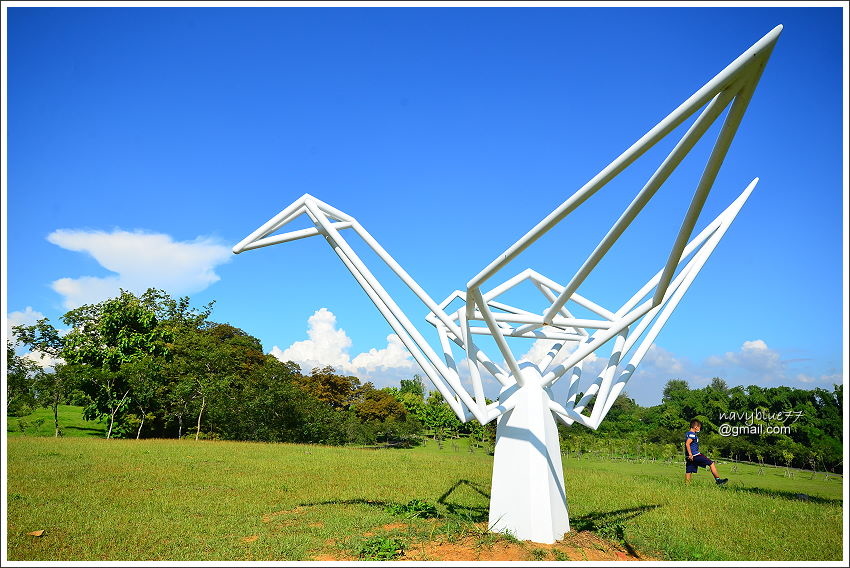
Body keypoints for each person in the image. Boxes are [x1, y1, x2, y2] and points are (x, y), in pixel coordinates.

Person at [685, 419, 728, 485]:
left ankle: (686, 485)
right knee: (711, 463)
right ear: (696, 427)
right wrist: (691, 454)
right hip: (695, 455)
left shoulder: (687, 433)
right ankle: (718, 480)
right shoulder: (692, 434)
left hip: (689, 456)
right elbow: (687, 444)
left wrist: (689, 455)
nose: (700, 429)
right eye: (699, 427)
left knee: (689, 470)